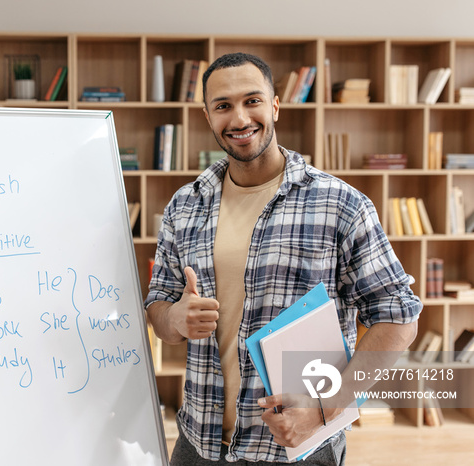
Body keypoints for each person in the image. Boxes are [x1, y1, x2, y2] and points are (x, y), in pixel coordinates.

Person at [144, 52, 422, 465]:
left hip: (299, 448)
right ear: (207, 116)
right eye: (223, 106)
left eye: (252, 100)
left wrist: (323, 410)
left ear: (275, 105)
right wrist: (175, 318)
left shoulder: (341, 205)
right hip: (197, 444)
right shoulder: (185, 205)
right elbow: (159, 311)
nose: (239, 118)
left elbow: (398, 319)